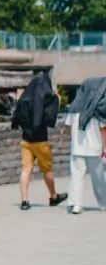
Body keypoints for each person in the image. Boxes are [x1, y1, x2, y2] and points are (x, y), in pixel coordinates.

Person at [12, 69, 64, 210]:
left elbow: (16, 117)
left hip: (26, 141)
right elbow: (50, 117)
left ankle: (24, 201)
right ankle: (53, 196)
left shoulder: (24, 98)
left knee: (26, 170)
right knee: (47, 170)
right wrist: (57, 98)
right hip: (41, 141)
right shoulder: (46, 98)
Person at [65, 76, 106, 214]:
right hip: (94, 148)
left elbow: (68, 127)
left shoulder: (75, 106)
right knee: (98, 178)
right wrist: (104, 148)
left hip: (77, 148)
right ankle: (103, 204)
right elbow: (103, 130)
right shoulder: (100, 108)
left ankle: (77, 205)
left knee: (77, 177)